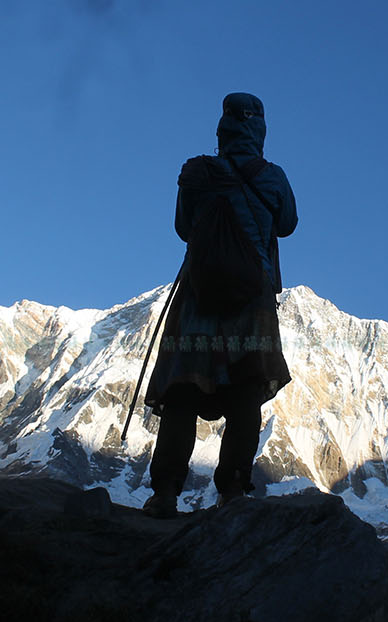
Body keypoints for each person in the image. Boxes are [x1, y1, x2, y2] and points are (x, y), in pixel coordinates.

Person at [140, 92, 297, 519]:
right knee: (246, 391)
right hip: (253, 303)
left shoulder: (197, 172)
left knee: (185, 391)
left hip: (198, 300)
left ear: (222, 128)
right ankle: (232, 491)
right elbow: (286, 225)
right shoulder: (273, 178)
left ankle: (165, 493)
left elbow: (182, 227)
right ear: (260, 130)